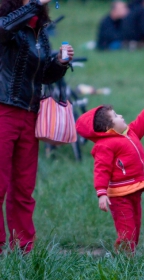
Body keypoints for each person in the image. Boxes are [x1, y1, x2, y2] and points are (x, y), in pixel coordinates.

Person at [0, 0, 74, 254]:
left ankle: (24, 248)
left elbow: (42, 76)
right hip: (4, 110)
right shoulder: (8, 22)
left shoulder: (39, 31)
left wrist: (59, 63)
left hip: (30, 114)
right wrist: (32, 6)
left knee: (23, 187)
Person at [76, 83, 144, 253]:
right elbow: (101, 170)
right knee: (127, 230)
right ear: (107, 128)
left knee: (135, 227)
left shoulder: (129, 132)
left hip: (134, 190)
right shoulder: (105, 145)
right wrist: (102, 193)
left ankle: (129, 257)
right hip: (119, 196)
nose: (121, 115)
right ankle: (123, 261)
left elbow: (142, 122)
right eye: (116, 116)